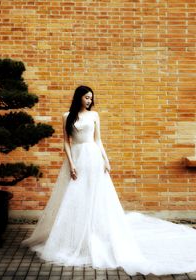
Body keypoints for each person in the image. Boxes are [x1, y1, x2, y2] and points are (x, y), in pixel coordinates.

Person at [23, 85, 196, 276]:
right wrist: (71, 164)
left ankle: (95, 236)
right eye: (86, 97)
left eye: (91, 98)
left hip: (93, 158)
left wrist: (105, 160)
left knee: (96, 196)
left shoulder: (94, 115)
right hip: (77, 158)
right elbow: (66, 142)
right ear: (79, 97)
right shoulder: (67, 116)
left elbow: (98, 140)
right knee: (75, 197)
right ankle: (74, 239)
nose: (89, 100)